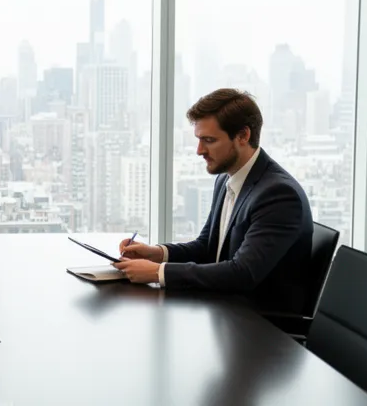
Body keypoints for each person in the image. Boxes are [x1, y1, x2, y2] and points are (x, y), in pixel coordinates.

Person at [114, 89, 313, 314]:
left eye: (209, 140)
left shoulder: (278, 195)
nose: (199, 151)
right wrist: (156, 253)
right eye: (199, 140)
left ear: (243, 136)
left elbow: (243, 273)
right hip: (225, 308)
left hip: (261, 326)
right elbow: (207, 247)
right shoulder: (226, 179)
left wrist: (157, 272)